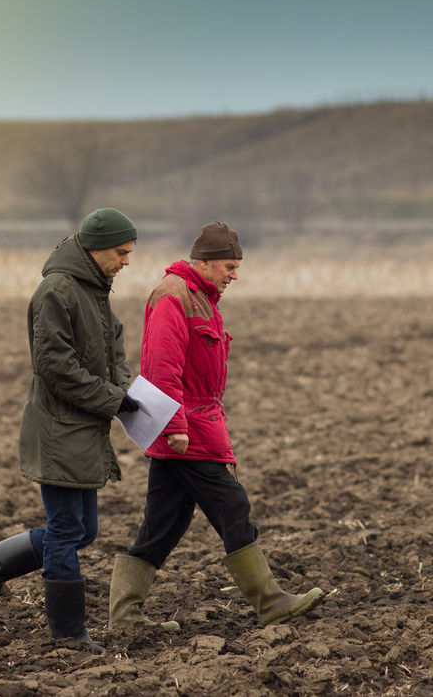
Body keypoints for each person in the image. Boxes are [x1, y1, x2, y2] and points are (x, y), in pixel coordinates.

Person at [108, 221, 330, 630]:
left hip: (193, 426)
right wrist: (175, 426)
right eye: (229, 266)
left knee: (164, 524)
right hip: (184, 431)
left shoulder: (202, 298)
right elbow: (161, 368)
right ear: (206, 263)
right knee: (232, 505)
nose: (234, 275)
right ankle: (270, 602)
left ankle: (125, 616)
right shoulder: (174, 297)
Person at [0, 207, 140, 653]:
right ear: (96, 249)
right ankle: (69, 634)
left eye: (130, 252)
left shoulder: (96, 290)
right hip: (57, 430)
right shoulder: (57, 290)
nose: (127, 261)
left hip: (83, 428)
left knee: (82, 531)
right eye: (121, 252)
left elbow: (115, 352)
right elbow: (54, 367)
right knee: (64, 532)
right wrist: (113, 399)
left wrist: (125, 390)